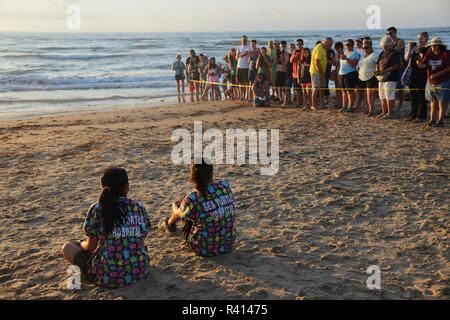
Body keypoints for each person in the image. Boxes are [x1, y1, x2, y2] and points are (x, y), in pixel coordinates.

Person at [61, 167, 151, 288]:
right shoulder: (138, 207)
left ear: (103, 187)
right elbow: (142, 236)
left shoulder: (97, 209)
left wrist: (80, 244)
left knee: (67, 247)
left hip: (107, 277)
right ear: (127, 187)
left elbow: (90, 247)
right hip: (139, 271)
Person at [159, 159, 237, 257]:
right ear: (211, 174)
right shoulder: (225, 186)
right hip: (228, 244)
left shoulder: (192, 199)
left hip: (203, 249)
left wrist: (174, 206)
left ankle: (169, 225)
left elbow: (178, 213)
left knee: (186, 209)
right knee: (192, 208)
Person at [417, 37, 450, 127]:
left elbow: (449, 68)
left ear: (440, 46)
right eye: (432, 45)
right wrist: (419, 61)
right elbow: (423, 66)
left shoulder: (446, 53)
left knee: (442, 101)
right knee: (433, 100)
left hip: (444, 80)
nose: (433, 47)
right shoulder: (429, 54)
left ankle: (440, 120)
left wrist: (437, 74)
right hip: (431, 81)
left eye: (435, 45)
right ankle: (432, 119)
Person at [404, 32, 429, 123]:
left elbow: (423, 62)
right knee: (413, 95)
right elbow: (407, 59)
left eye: (421, 38)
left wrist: (419, 54)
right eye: (418, 38)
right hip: (412, 74)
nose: (419, 40)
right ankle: (413, 114)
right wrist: (409, 49)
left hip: (422, 74)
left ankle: (421, 116)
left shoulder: (428, 48)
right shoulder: (415, 48)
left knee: (421, 96)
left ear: (426, 38)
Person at [375, 36, 402, 119]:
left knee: (389, 96)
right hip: (381, 77)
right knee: (382, 95)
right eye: (382, 46)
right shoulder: (382, 53)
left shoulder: (394, 53)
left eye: (385, 46)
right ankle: (384, 112)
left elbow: (397, 65)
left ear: (389, 45)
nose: (383, 47)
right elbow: (377, 63)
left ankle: (389, 112)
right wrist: (377, 71)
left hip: (391, 77)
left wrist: (385, 71)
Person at [310, 38, 333, 110]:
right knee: (316, 88)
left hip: (322, 71)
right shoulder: (319, 49)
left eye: (331, 45)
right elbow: (317, 63)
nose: (330, 47)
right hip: (316, 72)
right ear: (325, 42)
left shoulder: (323, 48)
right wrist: (321, 74)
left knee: (322, 87)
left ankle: (322, 104)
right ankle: (313, 105)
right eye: (329, 45)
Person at [357, 39, 379, 116]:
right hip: (362, 77)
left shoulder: (375, 54)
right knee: (366, 94)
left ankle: (371, 110)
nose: (365, 49)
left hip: (371, 77)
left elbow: (378, 64)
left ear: (371, 46)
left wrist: (377, 71)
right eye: (364, 48)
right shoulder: (363, 55)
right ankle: (367, 108)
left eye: (367, 47)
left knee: (371, 95)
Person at [386, 27, 406, 111]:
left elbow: (394, 51)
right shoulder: (388, 43)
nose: (389, 35)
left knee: (400, 88)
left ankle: (400, 105)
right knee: (391, 88)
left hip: (399, 67)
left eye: (390, 33)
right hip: (391, 67)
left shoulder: (400, 41)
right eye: (387, 34)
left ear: (395, 33)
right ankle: (391, 106)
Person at [338, 39, 360, 113]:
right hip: (342, 74)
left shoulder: (354, 53)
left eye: (349, 44)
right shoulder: (344, 53)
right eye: (346, 44)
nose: (347, 46)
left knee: (350, 91)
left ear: (353, 45)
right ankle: (344, 106)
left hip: (350, 73)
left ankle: (350, 107)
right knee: (343, 91)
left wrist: (347, 58)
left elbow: (354, 64)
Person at [236, 35, 252, 101]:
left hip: (246, 67)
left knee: (246, 83)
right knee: (240, 82)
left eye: (245, 40)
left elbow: (247, 53)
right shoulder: (239, 47)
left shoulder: (249, 47)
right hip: (239, 66)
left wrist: (242, 55)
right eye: (243, 40)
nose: (244, 41)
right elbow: (236, 57)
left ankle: (246, 96)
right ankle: (241, 96)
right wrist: (238, 55)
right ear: (241, 40)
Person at [291, 39, 304, 108]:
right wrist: (294, 54)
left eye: (300, 44)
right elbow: (291, 61)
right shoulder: (294, 52)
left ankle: (302, 103)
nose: (298, 46)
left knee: (303, 90)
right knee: (296, 90)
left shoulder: (304, 52)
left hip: (303, 73)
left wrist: (302, 52)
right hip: (295, 73)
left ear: (302, 44)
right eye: (297, 44)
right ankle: (298, 103)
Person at [333, 42, 345, 109]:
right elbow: (334, 64)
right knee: (337, 88)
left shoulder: (343, 54)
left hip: (341, 72)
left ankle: (342, 103)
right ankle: (338, 102)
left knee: (341, 88)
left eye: (336, 48)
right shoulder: (336, 54)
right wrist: (332, 59)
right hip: (336, 71)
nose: (336, 49)